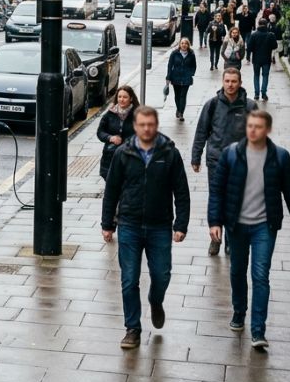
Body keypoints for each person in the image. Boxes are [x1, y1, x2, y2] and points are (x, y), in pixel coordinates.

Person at [208, 110, 290, 350]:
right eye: (250, 125)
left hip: (265, 225)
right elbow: (217, 190)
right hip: (237, 225)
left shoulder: (280, 157)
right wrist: (215, 221)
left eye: (258, 126)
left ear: (267, 130)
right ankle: (239, 311)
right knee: (237, 271)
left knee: (260, 275)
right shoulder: (231, 154)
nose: (252, 130)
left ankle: (258, 330)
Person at [101, 105, 190, 349]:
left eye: (151, 124)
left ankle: (155, 300)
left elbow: (181, 191)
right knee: (129, 279)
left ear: (156, 125)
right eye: (142, 125)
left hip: (160, 225)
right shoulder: (123, 153)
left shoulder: (170, 153)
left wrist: (181, 224)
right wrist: (107, 224)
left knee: (161, 274)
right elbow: (111, 190)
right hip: (129, 224)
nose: (147, 128)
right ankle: (132, 328)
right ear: (135, 126)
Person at [192, 67, 258, 255]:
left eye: (234, 81)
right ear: (222, 82)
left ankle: (231, 239)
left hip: (241, 162)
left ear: (240, 83)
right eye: (227, 81)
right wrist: (196, 156)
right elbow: (201, 131)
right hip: (216, 160)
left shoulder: (250, 107)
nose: (230, 85)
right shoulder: (212, 105)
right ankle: (215, 238)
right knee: (217, 199)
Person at [97, 85, 138, 179]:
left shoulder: (137, 115)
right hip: (110, 157)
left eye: (125, 97)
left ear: (131, 98)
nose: (121, 100)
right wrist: (110, 138)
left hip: (129, 157)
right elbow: (100, 132)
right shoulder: (109, 114)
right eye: (119, 97)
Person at [165, 38, 196, 121]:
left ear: (188, 45)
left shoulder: (191, 54)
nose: (184, 45)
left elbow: (194, 66)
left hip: (186, 78)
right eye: (182, 43)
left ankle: (181, 113)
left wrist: (191, 73)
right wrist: (168, 77)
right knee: (177, 95)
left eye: (186, 43)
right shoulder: (174, 53)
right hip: (176, 77)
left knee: (183, 95)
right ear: (180, 44)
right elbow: (170, 65)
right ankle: (178, 109)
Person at [247, 19, 278, 102]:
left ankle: (256, 94)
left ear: (258, 24)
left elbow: (249, 47)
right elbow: (275, 46)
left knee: (256, 75)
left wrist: (249, 56)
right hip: (266, 59)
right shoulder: (271, 35)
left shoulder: (254, 35)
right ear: (266, 24)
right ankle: (263, 93)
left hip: (256, 59)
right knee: (265, 75)